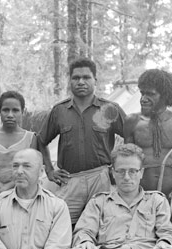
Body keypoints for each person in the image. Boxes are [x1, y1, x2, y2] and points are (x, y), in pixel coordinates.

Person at [37, 57, 127, 225]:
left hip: (101, 178)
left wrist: (118, 169)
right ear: (70, 81)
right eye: (76, 78)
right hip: (69, 179)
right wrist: (49, 170)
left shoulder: (110, 109)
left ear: (95, 81)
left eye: (86, 77)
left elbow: (131, 137)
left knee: (103, 225)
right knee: (62, 224)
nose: (81, 82)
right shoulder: (59, 111)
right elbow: (41, 140)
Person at [123, 69, 172, 197]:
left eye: (150, 94)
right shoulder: (132, 121)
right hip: (140, 196)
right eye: (142, 93)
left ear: (165, 95)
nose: (143, 99)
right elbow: (126, 161)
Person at [0, 91, 38, 204]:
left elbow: (32, 169)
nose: (10, 115)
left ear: (23, 111)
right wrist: (0, 187)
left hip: (21, 196)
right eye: (5, 110)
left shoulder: (30, 139)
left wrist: (7, 188)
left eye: (15, 110)